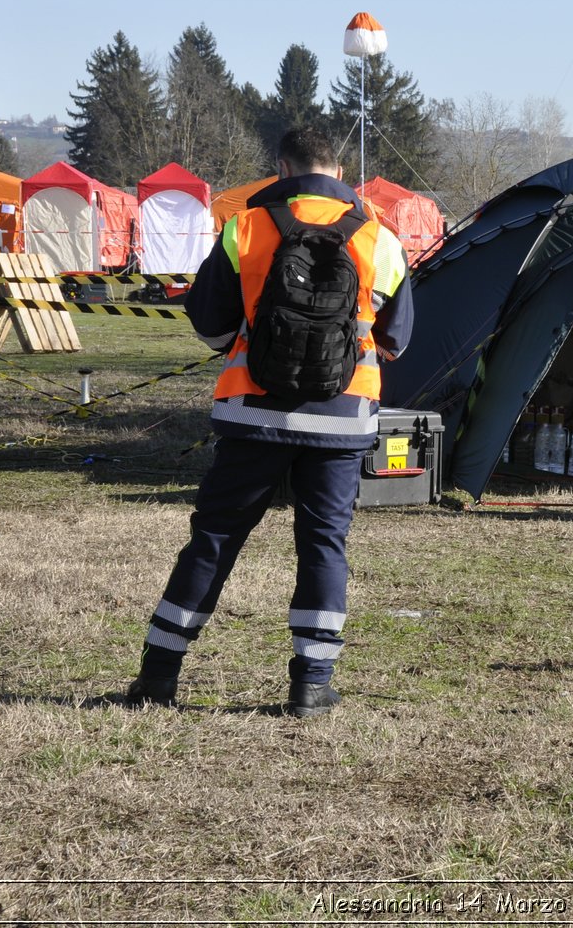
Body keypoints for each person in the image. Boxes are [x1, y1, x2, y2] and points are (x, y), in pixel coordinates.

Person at [125, 127, 414, 717]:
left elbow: (208, 325)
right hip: (342, 421)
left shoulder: (245, 226)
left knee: (214, 540)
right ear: (338, 168)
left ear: (282, 167)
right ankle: (311, 684)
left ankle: (158, 677)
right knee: (323, 548)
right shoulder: (381, 237)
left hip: (253, 413)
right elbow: (397, 340)